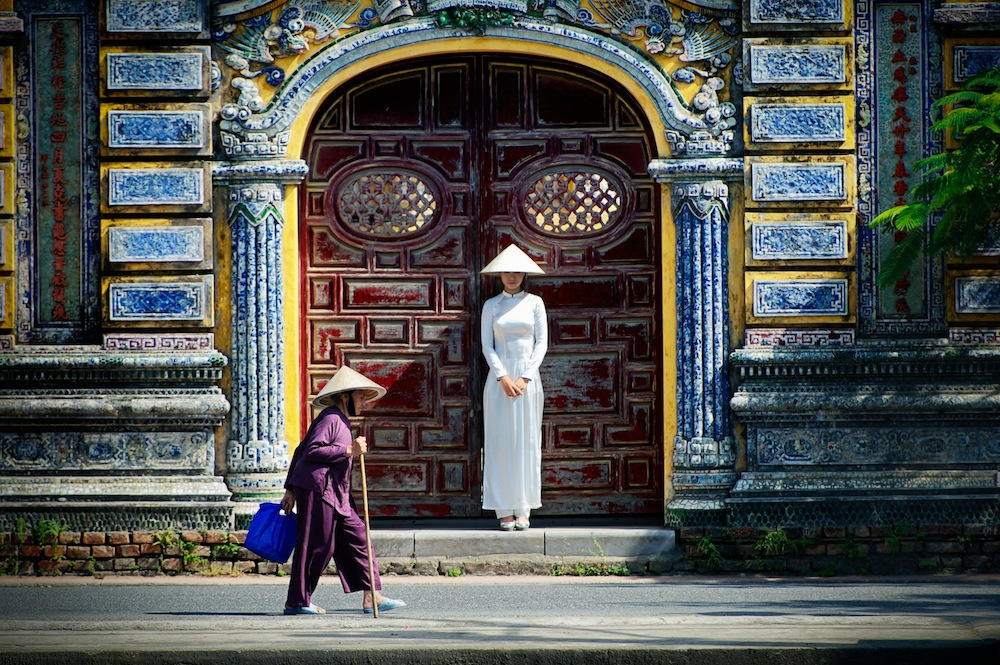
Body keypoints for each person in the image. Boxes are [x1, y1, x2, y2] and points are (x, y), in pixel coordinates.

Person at [280, 365, 406, 615]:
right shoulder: (330, 418)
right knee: (317, 546)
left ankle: (372, 595)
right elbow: (310, 450)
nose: (363, 401)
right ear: (344, 396)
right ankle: (297, 601)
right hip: (318, 490)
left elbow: (299, 450)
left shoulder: (340, 421)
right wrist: (349, 451)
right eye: (359, 396)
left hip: (337, 494)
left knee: (358, 537)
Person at [479, 244, 548, 531]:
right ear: (499, 275)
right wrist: (503, 377)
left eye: (516, 271)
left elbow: (541, 343)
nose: (511, 276)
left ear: (524, 274)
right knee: (500, 444)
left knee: (527, 442)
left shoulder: (535, 303)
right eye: (506, 271)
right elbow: (487, 345)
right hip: (499, 382)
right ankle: (502, 508)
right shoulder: (491, 306)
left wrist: (525, 377)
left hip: (528, 382)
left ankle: (523, 506)